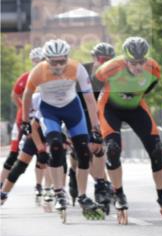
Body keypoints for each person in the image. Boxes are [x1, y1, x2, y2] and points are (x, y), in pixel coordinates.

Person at [95, 36, 162, 222]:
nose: (138, 66)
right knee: (113, 149)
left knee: (158, 149)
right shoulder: (110, 68)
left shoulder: (153, 68)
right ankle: (119, 194)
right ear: (125, 59)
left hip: (136, 106)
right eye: (133, 63)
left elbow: (150, 86)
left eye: (141, 62)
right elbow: (93, 88)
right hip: (109, 107)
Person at [20, 39, 106, 221]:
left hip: (72, 109)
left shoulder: (77, 68)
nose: (59, 66)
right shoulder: (38, 71)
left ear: (68, 57)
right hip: (49, 111)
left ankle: (82, 195)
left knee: (84, 152)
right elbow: (27, 96)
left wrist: (95, 127)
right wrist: (25, 120)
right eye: (54, 62)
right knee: (56, 146)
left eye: (62, 61)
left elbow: (90, 100)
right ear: (46, 59)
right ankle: (59, 192)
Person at [72, 42, 116, 211]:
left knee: (99, 149)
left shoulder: (113, 75)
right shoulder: (82, 71)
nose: (105, 63)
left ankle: (101, 184)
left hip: (98, 115)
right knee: (82, 153)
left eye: (109, 60)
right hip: (78, 113)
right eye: (102, 59)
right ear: (94, 58)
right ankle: (81, 178)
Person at [1, 47, 46, 195]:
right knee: (15, 154)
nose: (38, 63)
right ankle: (2, 184)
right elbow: (14, 94)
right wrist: (24, 107)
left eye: (40, 60)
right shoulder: (27, 76)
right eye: (35, 61)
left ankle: (40, 185)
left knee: (42, 153)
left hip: (41, 120)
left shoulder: (48, 76)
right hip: (24, 120)